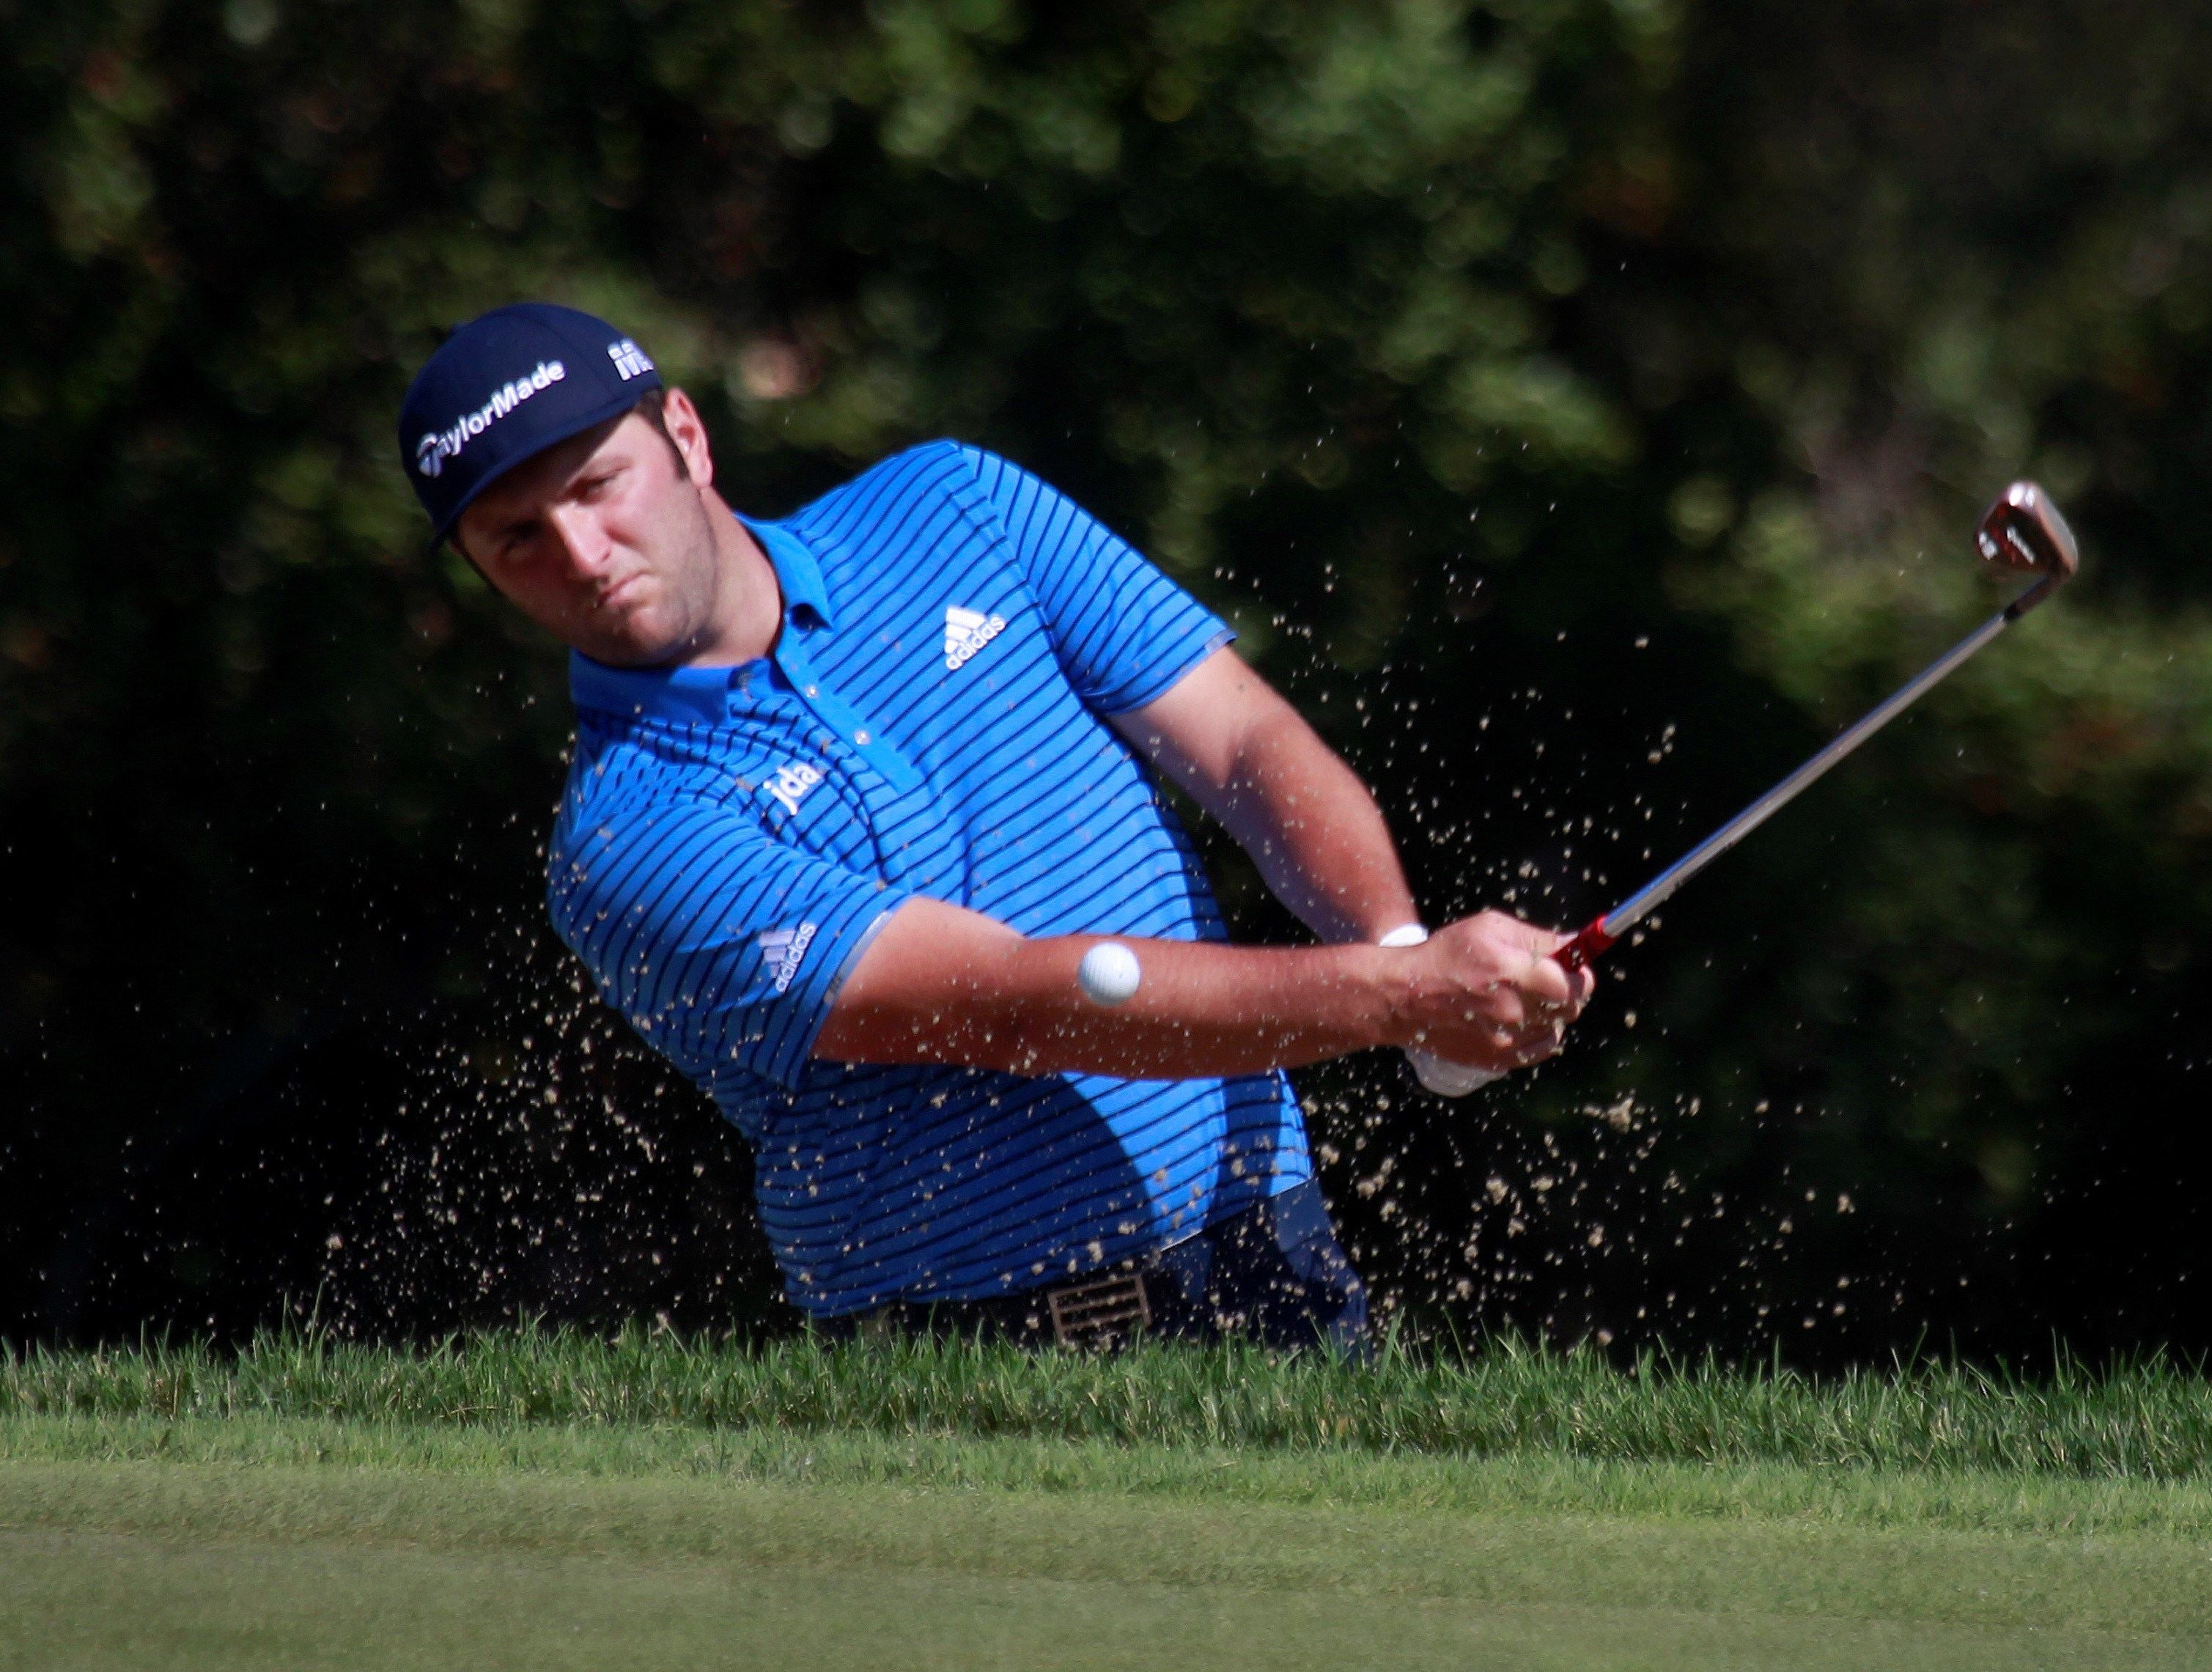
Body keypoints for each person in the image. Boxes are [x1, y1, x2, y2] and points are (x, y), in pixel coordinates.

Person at [392, 302, 1590, 1355]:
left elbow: (1240, 742)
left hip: (1273, 1258)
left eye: (598, 487)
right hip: (985, 1356)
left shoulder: (952, 505)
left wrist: (1392, 945)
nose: (583, 556)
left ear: (687, 438)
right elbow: (1025, 1004)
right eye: (518, 539)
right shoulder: (628, 843)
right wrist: (1402, 1001)